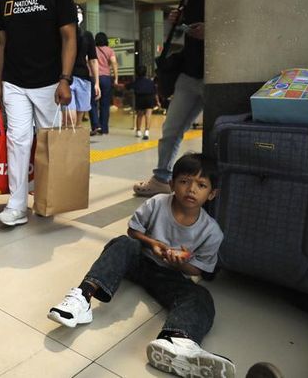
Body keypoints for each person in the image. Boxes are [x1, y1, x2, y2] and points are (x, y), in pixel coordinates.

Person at [47, 153, 235, 378]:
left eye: (201, 185)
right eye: (184, 181)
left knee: (201, 296)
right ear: (172, 183)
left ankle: (177, 340)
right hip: (141, 260)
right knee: (123, 244)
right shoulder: (157, 203)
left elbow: (198, 270)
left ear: (212, 193)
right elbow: (132, 231)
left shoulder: (212, 232)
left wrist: (181, 263)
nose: (191, 189)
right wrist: (153, 243)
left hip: (171, 277)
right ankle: (82, 299)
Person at [0, 0, 77, 226]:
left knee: (47, 144)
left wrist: (65, 79)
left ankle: (47, 196)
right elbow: (2, 44)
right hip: (15, 82)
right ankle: (16, 205)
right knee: (17, 140)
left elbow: (69, 37)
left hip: (49, 83)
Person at [134, 0, 206, 197]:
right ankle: (161, 178)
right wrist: (179, 18)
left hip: (217, 72)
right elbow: (186, 24)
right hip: (189, 72)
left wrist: (211, 30)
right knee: (171, 128)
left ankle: (214, 186)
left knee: (218, 134)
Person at [66, 29, 99, 128]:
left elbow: (93, 59)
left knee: (78, 123)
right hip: (67, 79)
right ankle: (69, 141)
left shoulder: (87, 35)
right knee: (70, 119)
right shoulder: (62, 32)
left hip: (83, 78)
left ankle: (75, 142)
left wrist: (97, 83)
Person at [128, 65, 157, 140]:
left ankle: (138, 131)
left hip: (140, 98)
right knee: (148, 115)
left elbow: (127, 87)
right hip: (149, 98)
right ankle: (147, 131)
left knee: (140, 114)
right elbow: (155, 91)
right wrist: (158, 101)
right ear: (145, 72)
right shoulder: (150, 82)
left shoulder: (136, 82)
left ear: (136, 73)